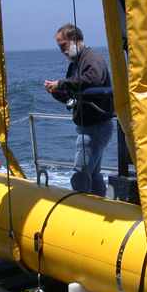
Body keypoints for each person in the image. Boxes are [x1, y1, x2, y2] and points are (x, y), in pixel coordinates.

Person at [44, 24, 113, 196]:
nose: (62, 51)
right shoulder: (75, 65)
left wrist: (61, 83)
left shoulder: (92, 59)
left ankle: (81, 212)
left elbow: (93, 79)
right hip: (88, 126)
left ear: (75, 40)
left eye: (64, 46)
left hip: (95, 127)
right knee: (94, 175)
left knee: (80, 175)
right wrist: (57, 91)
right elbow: (71, 93)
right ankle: (99, 208)